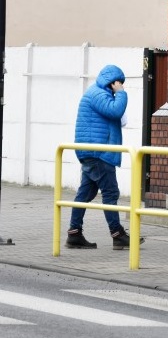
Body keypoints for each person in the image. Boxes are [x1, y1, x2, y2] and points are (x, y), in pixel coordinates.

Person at [66, 64, 137, 250]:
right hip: (98, 153)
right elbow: (115, 111)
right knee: (111, 193)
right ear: (112, 81)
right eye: (119, 83)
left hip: (92, 151)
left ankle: (74, 234)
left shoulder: (97, 93)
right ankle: (118, 235)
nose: (120, 86)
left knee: (86, 193)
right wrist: (121, 93)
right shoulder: (99, 94)